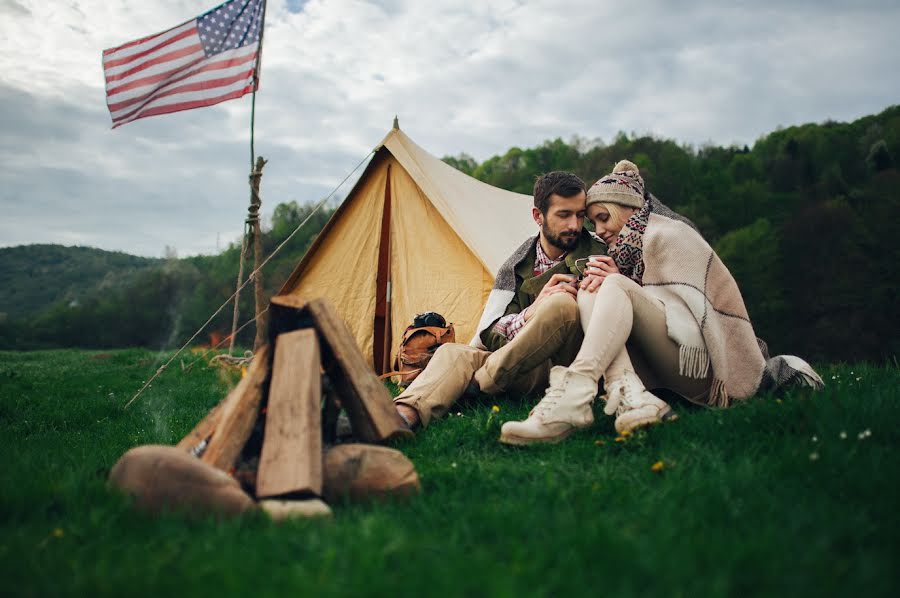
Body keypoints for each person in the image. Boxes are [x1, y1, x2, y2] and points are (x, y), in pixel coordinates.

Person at [500, 160, 823, 445]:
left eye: (601, 218)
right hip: (665, 363)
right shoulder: (623, 252)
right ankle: (633, 397)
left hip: (702, 367)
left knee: (607, 282)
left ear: (624, 208)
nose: (597, 231)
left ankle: (575, 394)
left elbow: (691, 315)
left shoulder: (669, 237)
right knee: (594, 285)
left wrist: (624, 283)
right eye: (592, 222)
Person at [394, 171, 607, 429]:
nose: (575, 225)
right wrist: (531, 312)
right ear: (538, 216)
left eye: (580, 215)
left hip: (570, 363)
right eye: (564, 215)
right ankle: (403, 415)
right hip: (528, 366)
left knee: (561, 305)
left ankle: (480, 384)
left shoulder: (599, 252)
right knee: (454, 352)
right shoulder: (516, 265)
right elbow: (491, 333)